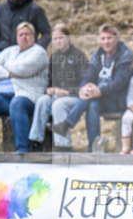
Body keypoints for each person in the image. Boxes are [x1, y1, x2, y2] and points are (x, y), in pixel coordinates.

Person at [51, 24, 133, 151]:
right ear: (99, 40)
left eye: (109, 38)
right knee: (91, 103)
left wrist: (99, 90)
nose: (106, 42)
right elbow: (88, 76)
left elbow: (119, 82)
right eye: (103, 39)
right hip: (99, 97)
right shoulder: (97, 56)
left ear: (117, 39)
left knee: (91, 100)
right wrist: (85, 87)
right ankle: (94, 147)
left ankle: (67, 123)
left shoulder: (125, 55)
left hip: (118, 99)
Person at [0, 22, 49, 153]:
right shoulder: (10, 51)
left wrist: (5, 66)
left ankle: (22, 150)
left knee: (17, 104)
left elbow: (24, 69)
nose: (24, 37)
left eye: (27, 34)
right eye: (21, 34)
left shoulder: (39, 52)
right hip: (2, 95)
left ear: (34, 36)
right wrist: (9, 73)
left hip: (26, 96)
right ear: (17, 37)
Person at [27, 23, 88, 152]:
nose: (58, 41)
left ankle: (63, 145)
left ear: (68, 37)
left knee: (58, 105)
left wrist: (67, 92)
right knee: (42, 101)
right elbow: (50, 82)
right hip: (57, 96)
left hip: (75, 97)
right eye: (55, 39)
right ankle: (36, 141)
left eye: (61, 37)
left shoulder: (79, 55)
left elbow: (85, 83)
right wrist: (49, 89)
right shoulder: (54, 57)